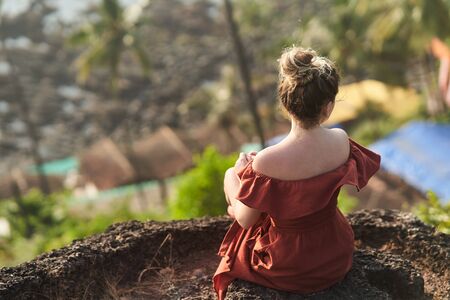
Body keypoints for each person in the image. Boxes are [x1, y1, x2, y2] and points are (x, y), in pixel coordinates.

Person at [212, 46, 381, 299]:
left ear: (284, 103)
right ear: (328, 107)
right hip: (335, 252)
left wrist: (235, 176)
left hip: (290, 265)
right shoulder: (341, 140)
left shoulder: (266, 161)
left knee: (235, 191)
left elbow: (245, 220)